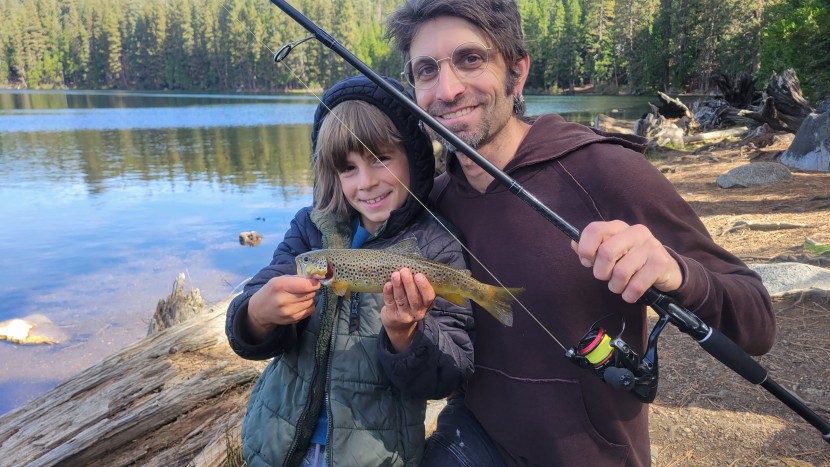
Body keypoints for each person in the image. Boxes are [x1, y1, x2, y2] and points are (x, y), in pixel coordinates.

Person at [385, 1, 777, 465]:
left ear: (517, 70)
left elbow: (758, 322)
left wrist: (677, 273)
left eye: (470, 59)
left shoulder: (608, 171)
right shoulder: (433, 201)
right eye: (426, 70)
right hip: (472, 445)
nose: (446, 89)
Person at [225, 75, 476, 467]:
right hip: (277, 444)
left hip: (375, 454)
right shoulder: (310, 230)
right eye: (348, 168)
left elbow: (451, 373)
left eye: (380, 159)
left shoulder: (437, 244)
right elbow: (249, 322)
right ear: (331, 173)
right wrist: (257, 314)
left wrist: (406, 336)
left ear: (413, 155)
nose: (367, 182)